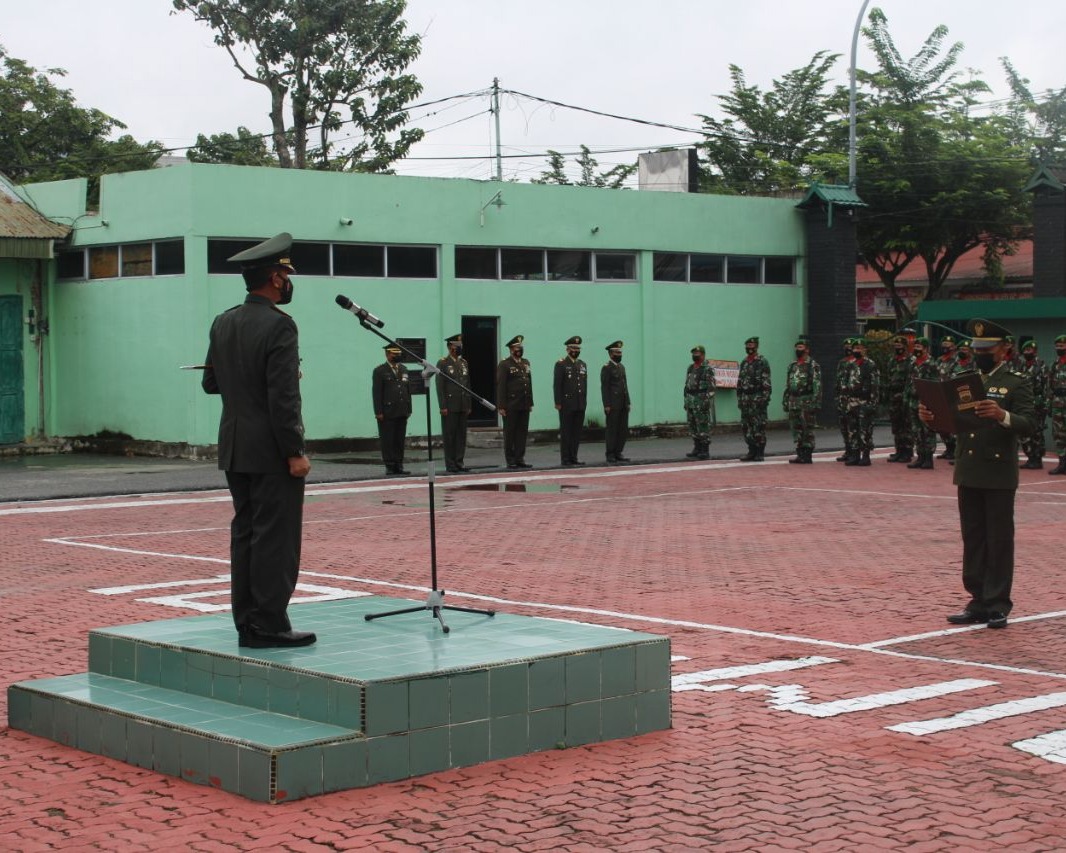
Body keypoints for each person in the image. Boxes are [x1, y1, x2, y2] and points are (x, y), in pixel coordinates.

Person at [201, 232, 316, 649]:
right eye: (285, 274)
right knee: (276, 539)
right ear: (274, 278)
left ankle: (247, 622)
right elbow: (283, 400)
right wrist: (295, 452)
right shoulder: (280, 326)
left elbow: (210, 382)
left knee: (246, 536)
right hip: (270, 451)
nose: (288, 281)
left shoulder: (223, 321)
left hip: (234, 446)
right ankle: (269, 623)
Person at [919, 318, 1034, 629]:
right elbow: (951, 423)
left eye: (987, 347)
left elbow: (1030, 423)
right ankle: (978, 599)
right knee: (973, 538)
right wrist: (931, 418)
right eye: (976, 347)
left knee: (998, 539)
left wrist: (1002, 414)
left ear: (1005, 349)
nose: (980, 352)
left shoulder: (1016, 381)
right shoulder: (964, 380)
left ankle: (997, 603)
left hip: (997, 470)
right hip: (968, 468)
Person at [372, 344, 412, 475]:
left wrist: (409, 408)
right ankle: (389, 465)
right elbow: (377, 393)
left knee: (399, 440)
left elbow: (407, 390)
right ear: (387, 354)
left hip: (402, 410)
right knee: (388, 439)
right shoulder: (380, 371)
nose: (397, 356)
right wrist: (378, 412)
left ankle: (399, 465)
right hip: (387, 411)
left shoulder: (404, 369)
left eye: (398, 354)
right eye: (394, 354)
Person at [436, 333, 472, 473]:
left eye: (460, 345)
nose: (459, 347)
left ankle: (459, 462)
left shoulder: (464, 363)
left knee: (461, 435)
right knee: (450, 435)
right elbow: (440, 386)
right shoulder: (443, 363)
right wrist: (443, 406)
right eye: (457, 345)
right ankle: (450, 464)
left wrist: (468, 404)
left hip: (463, 404)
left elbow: (467, 384)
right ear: (451, 347)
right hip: (450, 406)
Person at [496, 334, 533, 469]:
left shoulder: (525, 363)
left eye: (521, 347)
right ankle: (510, 460)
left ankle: (520, 458)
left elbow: (528, 383)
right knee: (510, 433)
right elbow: (501, 385)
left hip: (524, 403)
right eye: (517, 347)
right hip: (511, 405)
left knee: (522, 432)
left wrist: (530, 402)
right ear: (511, 349)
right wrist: (501, 405)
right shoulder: (505, 364)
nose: (519, 349)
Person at [784, 335, 821, 464]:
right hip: (794, 401)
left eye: (801, 347)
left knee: (807, 429)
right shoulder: (792, 366)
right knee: (796, 428)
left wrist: (815, 402)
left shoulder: (812, 365)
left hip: (806, 401)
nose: (798, 349)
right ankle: (800, 453)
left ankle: (807, 454)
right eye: (797, 347)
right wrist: (786, 400)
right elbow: (788, 384)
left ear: (807, 349)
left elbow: (817, 385)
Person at [843, 337, 880, 466]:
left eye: (859, 348)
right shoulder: (850, 365)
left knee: (865, 430)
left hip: (865, 401)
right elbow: (846, 382)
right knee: (852, 429)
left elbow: (875, 386)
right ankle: (854, 454)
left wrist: (873, 403)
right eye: (855, 348)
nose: (856, 350)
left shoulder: (870, 365)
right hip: (852, 401)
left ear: (865, 349)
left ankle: (866, 455)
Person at [905, 336, 940, 470]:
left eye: (919, 347)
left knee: (928, 430)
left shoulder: (932, 364)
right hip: (913, 402)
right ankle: (920, 456)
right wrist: (906, 397)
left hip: (926, 403)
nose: (916, 349)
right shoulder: (913, 363)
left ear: (926, 349)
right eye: (915, 347)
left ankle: (928, 458)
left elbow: (935, 384)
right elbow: (909, 381)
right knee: (916, 431)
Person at [554, 335, 588, 466]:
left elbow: (584, 385)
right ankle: (566, 458)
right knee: (566, 432)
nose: (576, 350)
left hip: (580, 403)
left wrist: (584, 401)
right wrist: (558, 402)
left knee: (576, 433)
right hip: (566, 404)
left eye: (578, 348)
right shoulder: (561, 364)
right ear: (567, 349)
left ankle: (574, 456)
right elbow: (557, 384)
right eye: (573, 348)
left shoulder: (582, 364)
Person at [737, 336, 771, 462]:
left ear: (756, 346)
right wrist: (739, 398)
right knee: (746, 426)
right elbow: (740, 382)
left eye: (752, 346)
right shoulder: (744, 362)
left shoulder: (762, 361)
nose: (749, 348)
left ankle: (760, 452)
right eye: (747, 346)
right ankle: (751, 450)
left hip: (757, 397)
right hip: (746, 398)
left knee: (758, 425)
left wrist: (765, 399)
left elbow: (766, 382)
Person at [1018, 337, 1048, 470]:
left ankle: (1037, 458)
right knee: (1024, 430)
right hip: (1024, 403)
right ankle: (1030, 457)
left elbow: (1046, 385)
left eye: (1029, 349)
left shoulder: (1041, 366)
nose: (1026, 352)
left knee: (1037, 432)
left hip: (1037, 403)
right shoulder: (1021, 366)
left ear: (1035, 352)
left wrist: (1044, 402)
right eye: (1025, 350)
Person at [601, 340, 631, 464]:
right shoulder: (607, 368)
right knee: (612, 429)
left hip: (623, 403)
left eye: (620, 352)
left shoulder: (621, 367)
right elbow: (605, 387)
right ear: (610, 353)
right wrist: (607, 404)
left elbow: (625, 386)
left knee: (622, 429)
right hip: (613, 404)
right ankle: (610, 453)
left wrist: (628, 402)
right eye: (616, 352)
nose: (619, 354)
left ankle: (619, 452)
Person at [684, 344, 715, 460]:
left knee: (703, 425)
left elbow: (711, 388)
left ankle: (704, 450)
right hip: (691, 400)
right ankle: (696, 448)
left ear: (703, 355)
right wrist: (686, 400)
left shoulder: (707, 369)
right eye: (693, 354)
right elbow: (686, 385)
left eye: (697, 354)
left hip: (701, 401)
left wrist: (706, 401)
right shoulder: (690, 368)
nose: (694, 356)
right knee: (692, 425)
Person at [885, 334, 914, 463]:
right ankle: (899, 450)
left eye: (900, 346)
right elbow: (888, 377)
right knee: (896, 425)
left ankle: (907, 451)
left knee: (906, 425)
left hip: (905, 397)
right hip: (893, 398)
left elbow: (910, 380)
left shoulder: (910, 361)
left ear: (905, 347)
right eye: (896, 346)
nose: (898, 348)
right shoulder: (892, 361)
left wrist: (906, 395)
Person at [936, 335, 959, 461]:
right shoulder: (939, 360)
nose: (945, 346)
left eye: (948, 344)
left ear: (954, 347)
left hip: (951, 396)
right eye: (944, 343)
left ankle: (956, 449)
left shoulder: (956, 360)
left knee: (953, 424)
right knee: (941, 424)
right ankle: (948, 448)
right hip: (939, 395)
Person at [834, 338, 856, 462]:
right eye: (845, 346)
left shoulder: (857, 363)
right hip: (842, 399)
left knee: (853, 427)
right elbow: (838, 381)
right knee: (844, 426)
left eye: (850, 346)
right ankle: (848, 450)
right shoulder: (842, 362)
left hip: (853, 400)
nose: (847, 348)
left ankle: (854, 451)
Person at [1049, 334, 1066, 475]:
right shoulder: (1055, 364)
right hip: (1057, 404)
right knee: (1058, 434)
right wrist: (1049, 403)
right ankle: (1062, 463)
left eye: (1062, 346)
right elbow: (1050, 385)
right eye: (1058, 346)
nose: (1059, 348)